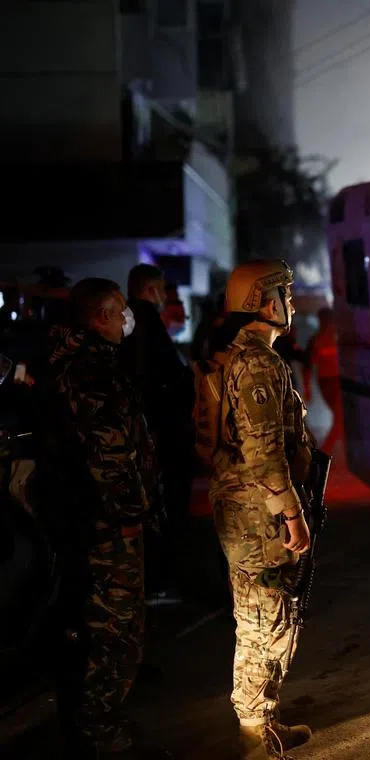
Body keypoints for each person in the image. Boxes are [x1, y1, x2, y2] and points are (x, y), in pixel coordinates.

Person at [197, 259, 315, 759]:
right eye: (286, 294)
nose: (293, 304)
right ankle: (254, 735)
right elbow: (263, 449)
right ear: (267, 304)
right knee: (264, 620)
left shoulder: (240, 355)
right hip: (257, 514)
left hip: (246, 507)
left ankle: (263, 722)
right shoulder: (258, 363)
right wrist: (291, 513)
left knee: (266, 614)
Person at [40, 278, 160, 757]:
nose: (128, 318)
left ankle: (97, 724)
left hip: (94, 518)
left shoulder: (83, 362)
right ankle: (101, 732)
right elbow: (109, 451)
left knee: (107, 626)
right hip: (107, 526)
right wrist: (129, 512)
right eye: (121, 309)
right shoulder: (89, 370)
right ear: (101, 315)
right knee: (115, 630)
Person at [122, 264, 194, 605]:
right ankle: (159, 583)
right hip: (159, 432)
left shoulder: (128, 321)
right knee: (165, 509)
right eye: (162, 289)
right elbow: (170, 375)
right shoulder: (146, 319)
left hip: (146, 430)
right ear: (151, 290)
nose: (165, 296)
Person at [303, 307, 344, 454]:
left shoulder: (337, 338)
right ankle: (324, 452)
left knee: (340, 419)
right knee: (340, 419)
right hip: (328, 384)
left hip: (335, 383)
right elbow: (307, 367)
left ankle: (328, 451)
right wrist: (307, 388)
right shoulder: (316, 341)